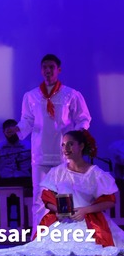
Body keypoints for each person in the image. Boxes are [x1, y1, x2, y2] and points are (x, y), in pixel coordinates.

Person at [0, 130, 124, 256]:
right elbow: (47, 197)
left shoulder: (96, 174)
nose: (66, 148)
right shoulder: (58, 172)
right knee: (49, 250)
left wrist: (85, 210)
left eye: (70, 144)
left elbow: (109, 200)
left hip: (87, 221)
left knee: (90, 250)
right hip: (63, 220)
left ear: (81, 146)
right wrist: (58, 210)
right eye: (63, 145)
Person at [16, 54, 91, 230]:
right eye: (45, 67)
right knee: (40, 196)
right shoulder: (31, 96)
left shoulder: (71, 94)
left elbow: (83, 118)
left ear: (59, 70)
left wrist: (79, 133)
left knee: (65, 195)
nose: (48, 70)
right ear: (41, 70)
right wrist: (17, 129)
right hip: (40, 154)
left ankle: (66, 234)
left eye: (51, 67)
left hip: (64, 154)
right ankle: (39, 234)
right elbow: (27, 121)